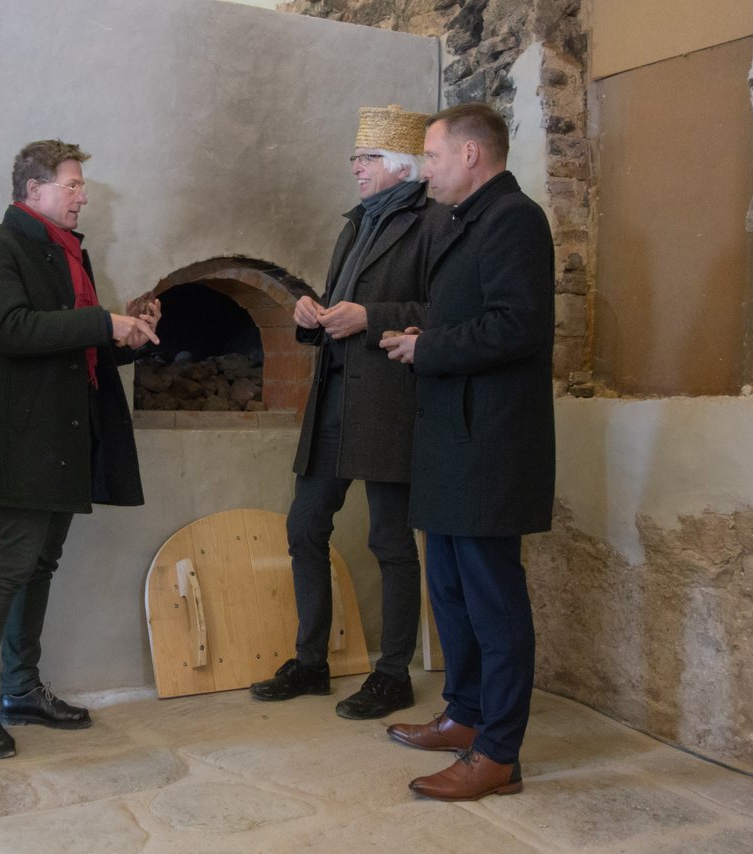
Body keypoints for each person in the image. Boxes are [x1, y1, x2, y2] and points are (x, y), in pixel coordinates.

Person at [0, 139, 159, 760]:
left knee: (40, 564)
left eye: (80, 186)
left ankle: (20, 689)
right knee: (10, 563)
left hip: (66, 431)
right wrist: (103, 322)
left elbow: (77, 347)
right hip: (22, 434)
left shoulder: (68, 254)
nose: (82, 196)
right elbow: (11, 329)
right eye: (71, 185)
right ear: (33, 190)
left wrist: (130, 331)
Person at [380, 103, 556, 801]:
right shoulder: (466, 222)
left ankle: (499, 752)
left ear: (472, 156)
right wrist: (422, 336)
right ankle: (466, 713)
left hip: (490, 443)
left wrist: (428, 348)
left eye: (431, 155)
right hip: (455, 440)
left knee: (493, 602)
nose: (426, 170)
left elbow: (517, 325)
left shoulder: (515, 219)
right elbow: (469, 317)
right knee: (450, 591)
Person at [248, 105, 447, 719]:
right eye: (356, 159)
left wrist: (371, 319)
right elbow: (344, 307)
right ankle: (311, 662)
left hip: (391, 402)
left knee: (389, 539)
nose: (354, 168)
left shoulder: (433, 221)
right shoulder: (356, 222)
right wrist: (314, 316)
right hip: (335, 397)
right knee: (305, 527)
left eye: (364, 159)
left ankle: (392, 675)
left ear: (399, 166)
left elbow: (445, 311)